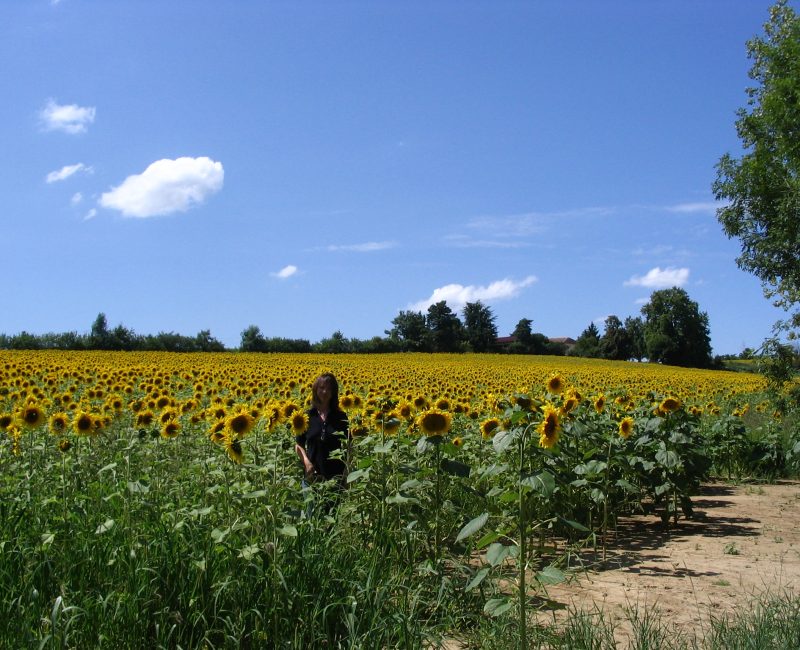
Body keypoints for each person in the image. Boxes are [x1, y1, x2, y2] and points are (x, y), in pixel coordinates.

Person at [295, 372, 349, 492]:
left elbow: (349, 446)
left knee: (334, 510)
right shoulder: (307, 416)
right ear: (315, 389)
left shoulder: (340, 417)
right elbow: (299, 444)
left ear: (334, 392)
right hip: (312, 477)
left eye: (329, 389)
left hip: (335, 478)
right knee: (311, 510)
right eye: (322, 388)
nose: (325, 392)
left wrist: (346, 475)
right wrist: (306, 462)